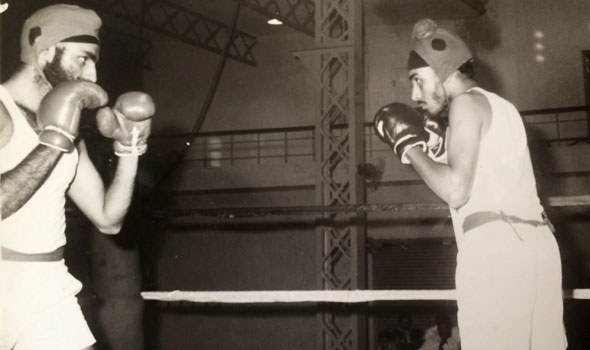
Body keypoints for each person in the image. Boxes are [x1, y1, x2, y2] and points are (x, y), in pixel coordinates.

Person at [373, 18, 568, 350]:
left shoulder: (464, 104)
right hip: (539, 249)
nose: (413, 94)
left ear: (443, 70)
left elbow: (456, 190)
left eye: (418, 80)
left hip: (496, 251)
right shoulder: (500, 107)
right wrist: (439, 148)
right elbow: (485, 172)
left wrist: (411, 148)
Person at [0, 4, 155, 349]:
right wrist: (53, 142)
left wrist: (129, 148)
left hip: (48, 287)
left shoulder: (68, 131)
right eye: (83, 59)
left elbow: (108, 220)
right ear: (46, 53)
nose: (93, 76)